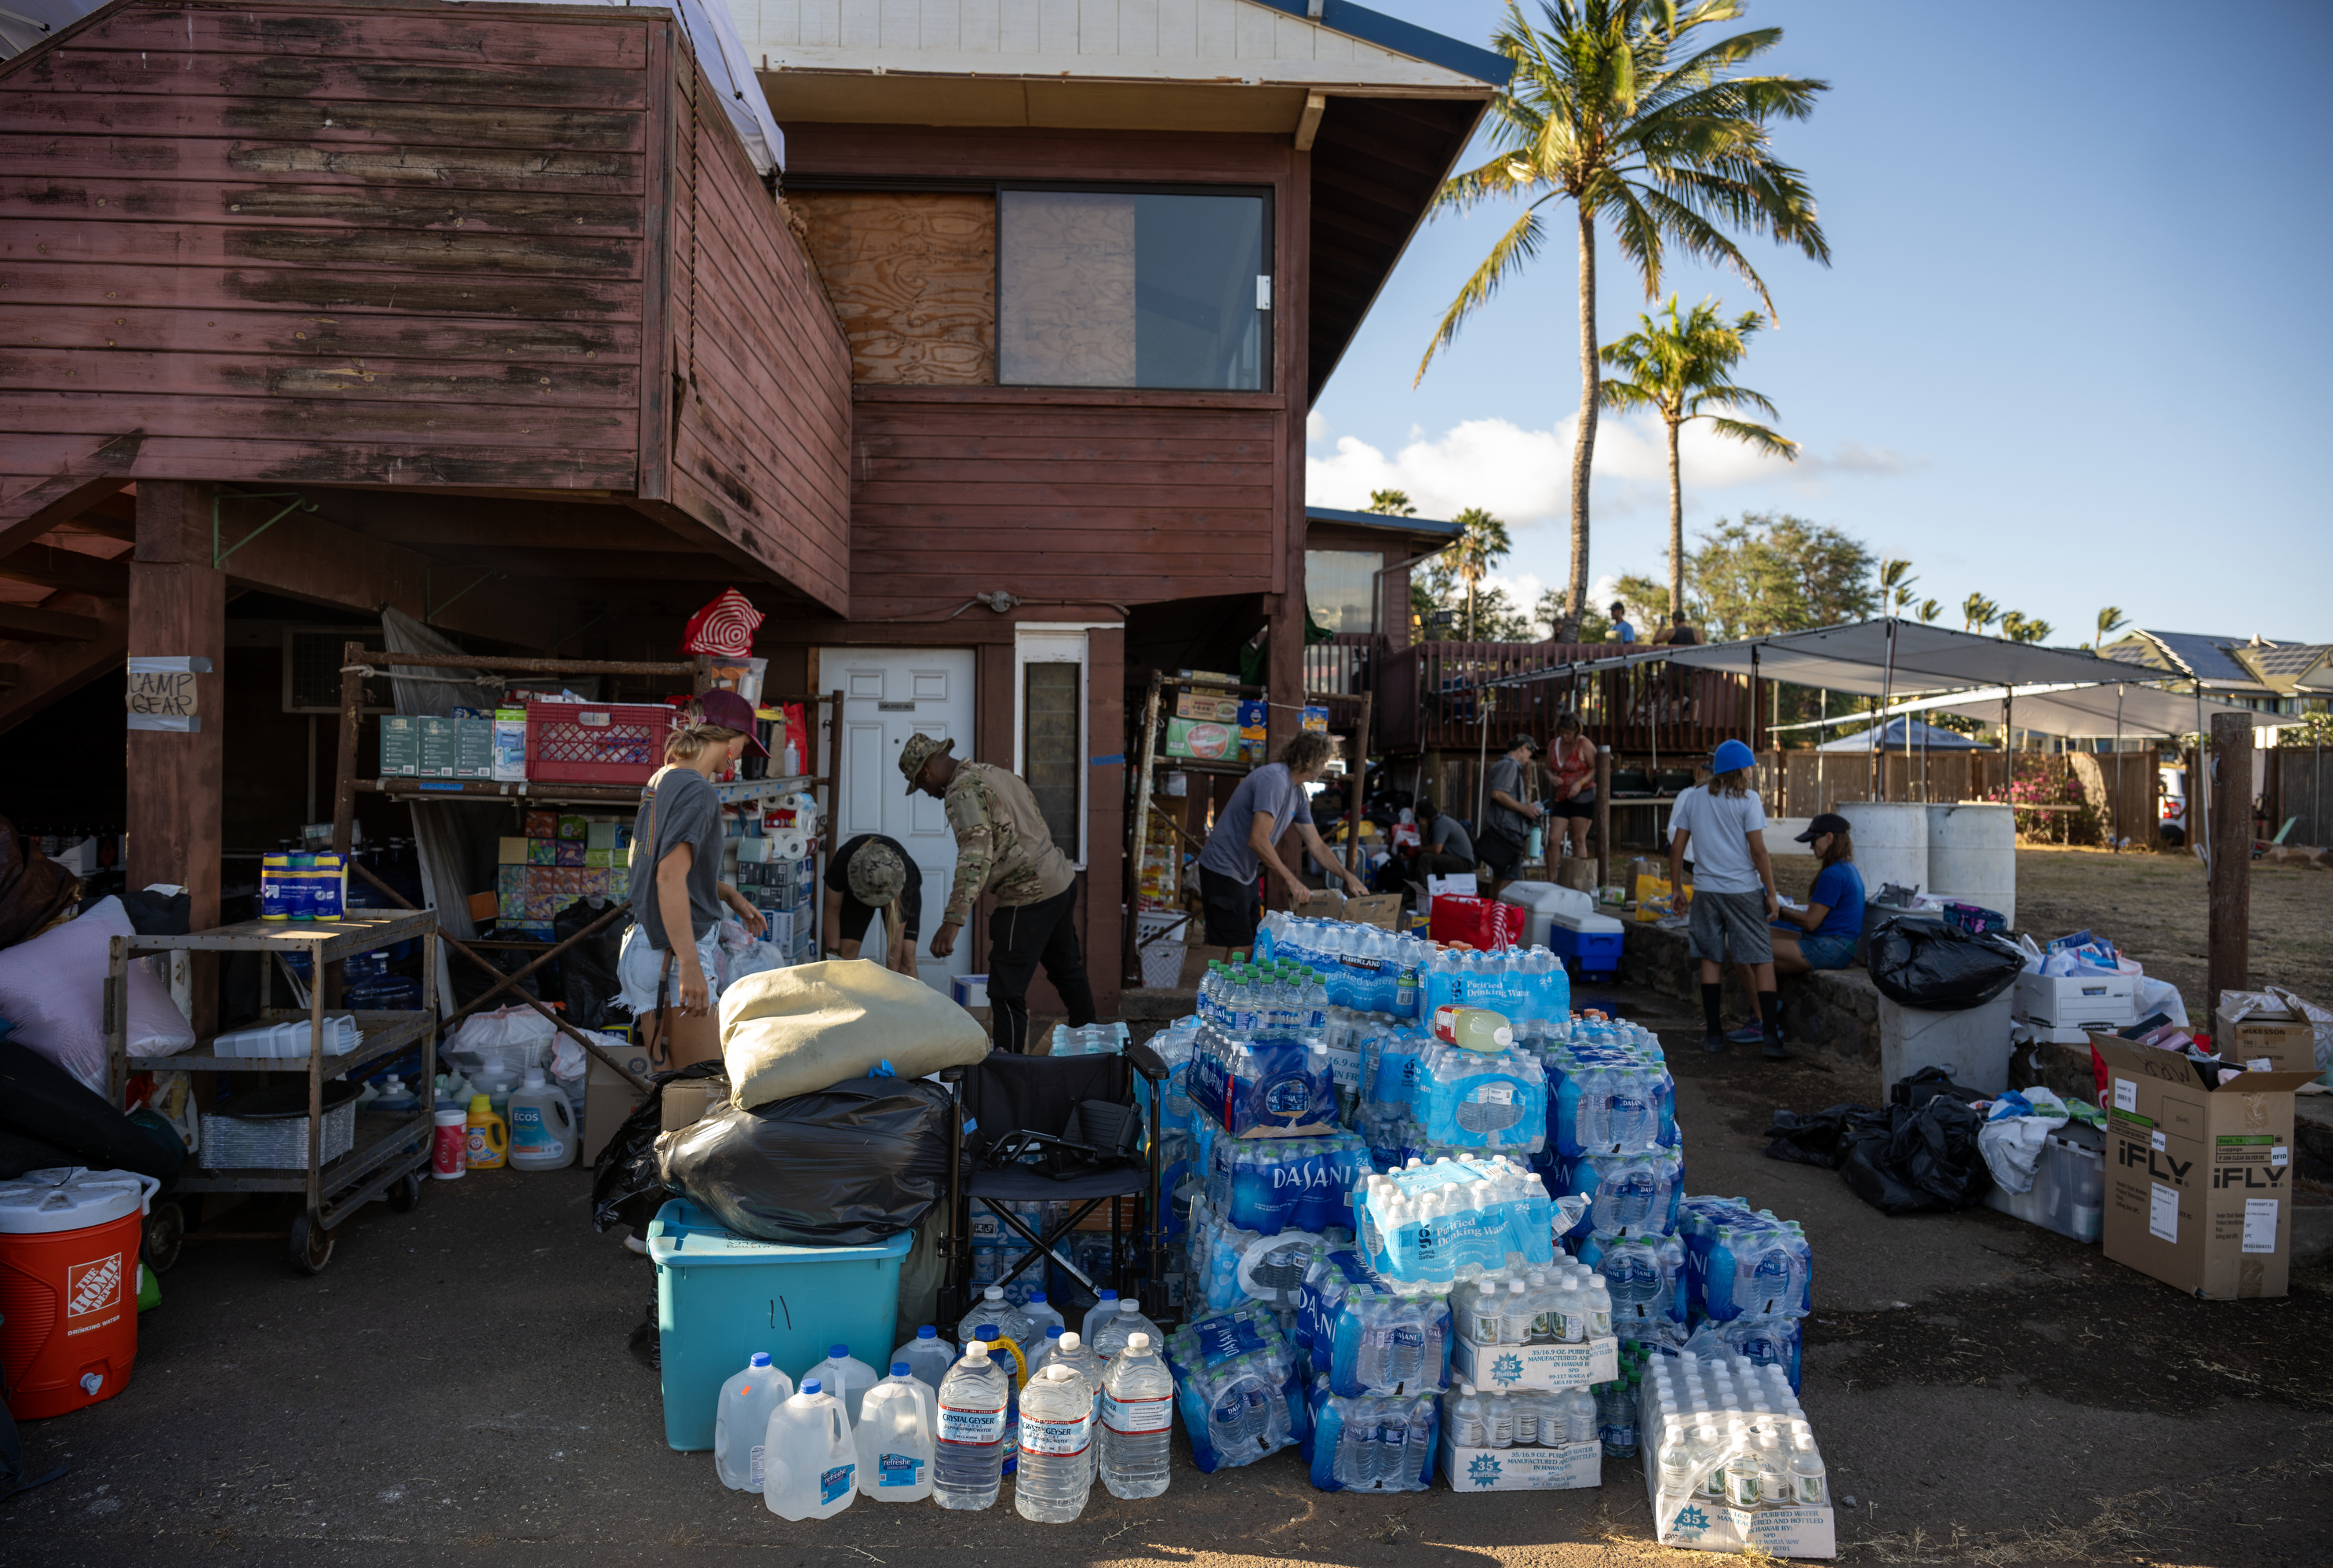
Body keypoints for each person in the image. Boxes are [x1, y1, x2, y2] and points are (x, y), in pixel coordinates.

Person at [899, 732, 1093, 1054]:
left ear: (927, 773)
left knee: (1005, 992)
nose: (928, 793)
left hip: (1027, 896)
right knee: (1067, 970)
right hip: (1060, 881)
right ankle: (1097, 1051)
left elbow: (976, 853)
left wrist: (953, 920)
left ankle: (1010, 1074)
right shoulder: (994, 772)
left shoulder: (961, 791)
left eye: (920, 785)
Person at [615, 689, 768, 1069]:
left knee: (671, 1094)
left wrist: (724, 892)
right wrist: (689, 964)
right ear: (730, 742)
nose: (740, 756)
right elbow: (668, 877)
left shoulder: (664, 777)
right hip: (671, 956)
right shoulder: (698, 790)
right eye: (745, 745)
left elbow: (658, 868)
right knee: (700, 1096)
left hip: (647, 948)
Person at [1668, 738, 1786, 1059]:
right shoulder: (1749, 800)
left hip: (1706, 891)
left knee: (1711, 958)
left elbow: (1677, 848)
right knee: (1762, 958)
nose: (1752, 771)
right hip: (1744, 890)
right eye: (1750, 766)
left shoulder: (1695, 799)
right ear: (1740, 769)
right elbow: (1759, 852)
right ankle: (1772, 1040)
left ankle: (1714, 1035)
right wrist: (1771, 894)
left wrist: (1677, 888)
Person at [1195, 731, 1367, 951]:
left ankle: (1237, 985)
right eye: (1323, 763)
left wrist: (1347, 877)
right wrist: (1292, 881)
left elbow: (1316, 845)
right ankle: (1225, 987)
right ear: (1310, 760)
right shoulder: (1275, 779)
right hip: (1223, 868)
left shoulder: (1297, 794)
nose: (1324, 769)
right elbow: (1257, 840)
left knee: (1255, 943)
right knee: (1243, 946)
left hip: (1244, 873)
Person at [1770, 813, 1865, 975]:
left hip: (1828, 947)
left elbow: (1811, 922)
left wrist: (1781, 910)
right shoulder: (1848, 869)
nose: (1811, 847)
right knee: (1760, 934)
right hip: (1842, 948)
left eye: (1813, 841)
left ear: (1829, 838)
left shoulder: (1832, 874)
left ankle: (1760, 1001)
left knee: (1748, 948)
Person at [822, 833, 921, 975]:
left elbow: (896, 936)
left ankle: (910, 997)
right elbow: (832, 910)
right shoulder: (843, 861)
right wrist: (833, 955)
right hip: (857, 892)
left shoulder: (905, 878)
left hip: (895, 893)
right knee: (844, 956)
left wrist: (891, 980)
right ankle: (841, 996)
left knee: (907, 956)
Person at [1478, 734, 1543, 895]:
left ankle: (1492, 912)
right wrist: (1525, 809)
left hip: (1500, 829)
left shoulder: (1501, 765)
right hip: (1506, 832)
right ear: (1523, 748)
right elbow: (1498, 794)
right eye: (1529, 755)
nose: (1528, 760)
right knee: (1510, 879)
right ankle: (1501, 916)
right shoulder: (1510, 766)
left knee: (1500, 876)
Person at [1543, 712, 1598, 862]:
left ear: (1576, 732)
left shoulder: (1584, 744)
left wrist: (1580, 784)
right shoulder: (1554, 744)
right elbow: (1548, 768)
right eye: (1562, 733)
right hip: (1562, 797)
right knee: (1553, 839)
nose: (1565, 736)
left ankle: (1578, 880)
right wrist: (1553, 778)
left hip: (1584, 796)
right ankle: (1551, 881)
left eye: (1568, 733)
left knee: (1577, 840)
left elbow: (1595, 768)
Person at [1409, 797, 1476, 880]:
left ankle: (1425, 889)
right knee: (1417, 858)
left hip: (1463, 862)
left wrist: (1420, 849)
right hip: (1451, 858)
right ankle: (1412, 890)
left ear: (1423, 818)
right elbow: (1428, 847)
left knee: (1425, 858)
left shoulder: (1441, 823)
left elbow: (1436, 850)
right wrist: (1422, 831)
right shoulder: (1434, 821)